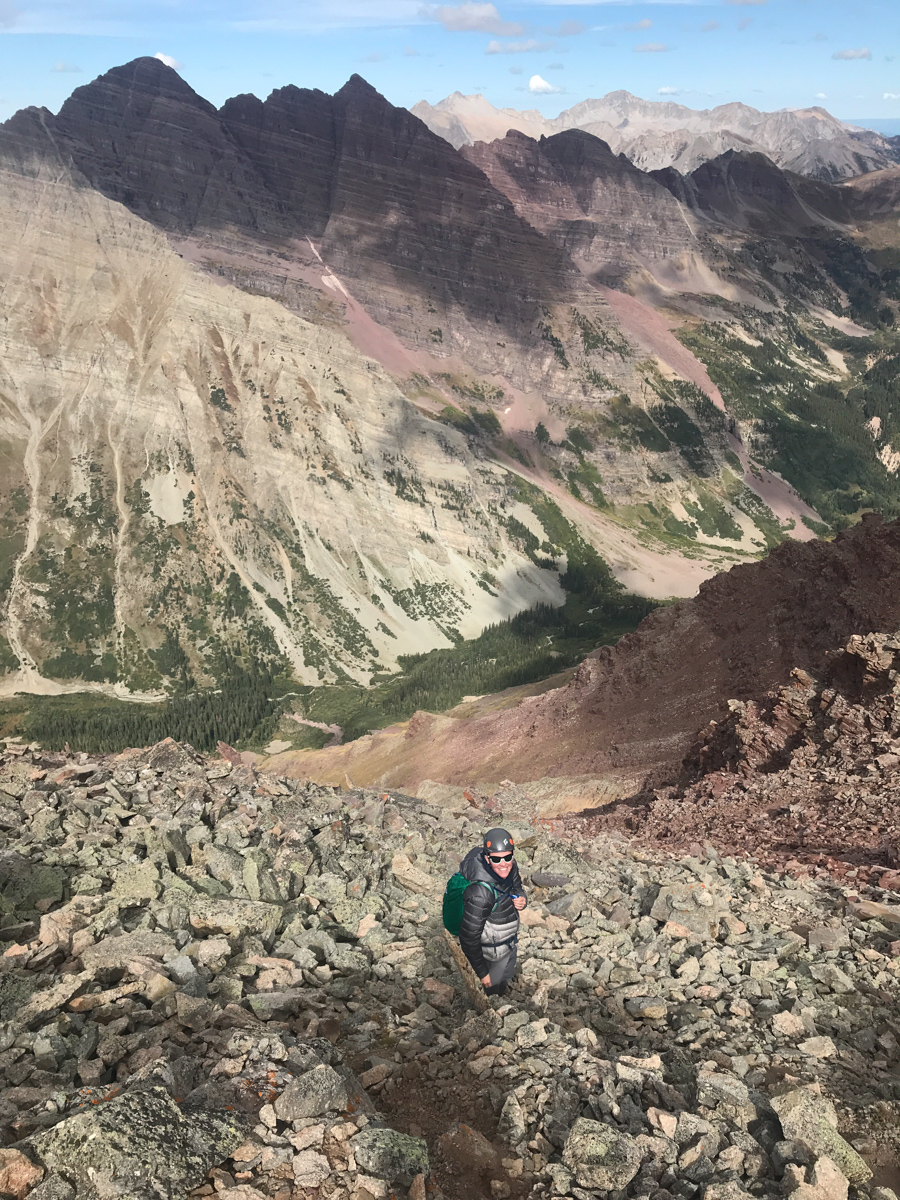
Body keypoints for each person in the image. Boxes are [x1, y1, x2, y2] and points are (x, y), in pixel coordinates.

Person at [458, 827, 527, 997]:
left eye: (508, 857)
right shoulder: (480, 893)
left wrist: (522, 899)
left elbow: (518, 887)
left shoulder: (511, 868)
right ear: (487, 859)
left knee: (506, 976)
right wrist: (482, 972)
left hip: (508, 942)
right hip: (491, 953)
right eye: (497, 859)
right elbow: (469, 937)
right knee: (492, 992)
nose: (503, 864)